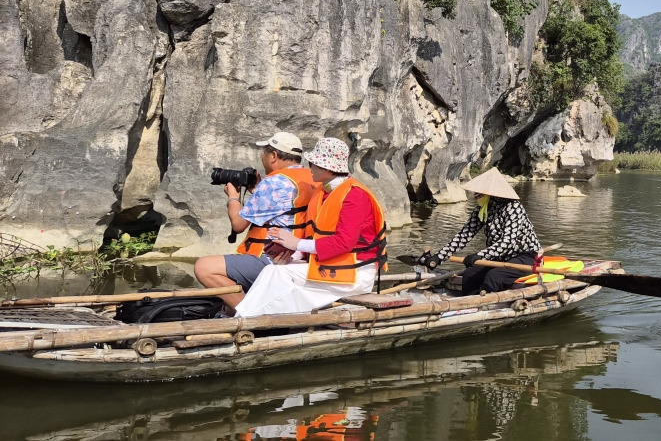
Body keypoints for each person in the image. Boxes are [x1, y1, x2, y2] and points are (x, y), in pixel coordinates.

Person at [234, 137, 387, 317]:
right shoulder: (323, 191)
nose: (310, 167)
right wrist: (293, 255)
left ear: (327, 169)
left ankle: (243, 319)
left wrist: (296, 244)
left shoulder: (355, 196)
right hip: (335, 265)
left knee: (279, 275)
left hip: (356, 272)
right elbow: (317, 236)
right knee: (273, 270)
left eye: (313, 163)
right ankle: (246, 317)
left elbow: (343, 243)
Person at [194, 132, 316, 309]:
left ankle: (249, 314)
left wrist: (233, 197)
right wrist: (257, 191)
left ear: (273, 156)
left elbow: (238, 225)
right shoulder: (311, 177)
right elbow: (288, 209)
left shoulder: (273, 183)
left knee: (204, 267)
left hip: (274, 258)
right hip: (302, 253)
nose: (262, 157)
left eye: (264, 152)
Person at [416, 168, 542, 296]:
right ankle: (466, 303)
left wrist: (480, 256)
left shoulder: (514, 207)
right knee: (469, 274)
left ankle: (487, 304)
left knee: (494, 277)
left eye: (480, 192)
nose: (476, 195)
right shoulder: (482, 210)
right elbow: (463, 236)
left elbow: (508, 242)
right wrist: (439, 257)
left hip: (525, 257)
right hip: (500, 257)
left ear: (492, 193)